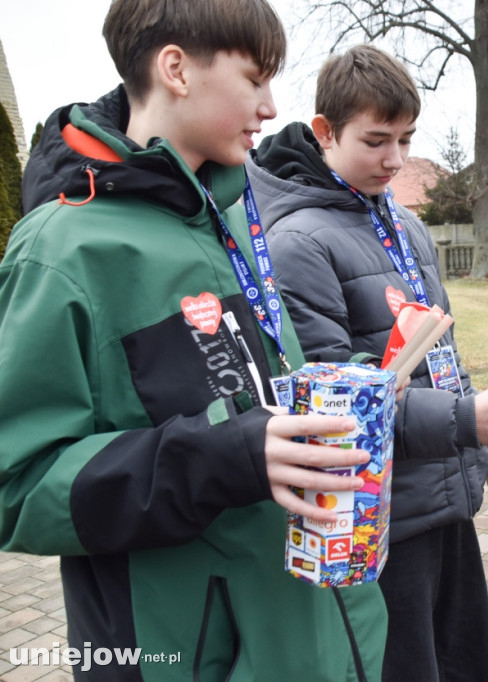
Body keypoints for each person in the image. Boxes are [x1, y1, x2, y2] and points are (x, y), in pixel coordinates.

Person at [0, 1, 389, 679]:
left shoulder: (235, 215)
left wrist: (353, 383)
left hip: (316, 633)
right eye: (254, 78)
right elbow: (19, 486)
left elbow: (254, 390)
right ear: (176, 69)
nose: (272, 108)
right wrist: (225, 459)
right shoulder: (61, 252)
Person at [244, 44, 488, 681]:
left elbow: (440, 355)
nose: (395, 159)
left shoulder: (403, 223)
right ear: (324, 132)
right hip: (379, 523)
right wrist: (471, 420)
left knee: (469, 664)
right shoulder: (297, 243)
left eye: (406, 138)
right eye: (375, 140)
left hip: (445, 500)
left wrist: (486, 442)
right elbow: (338, 409)